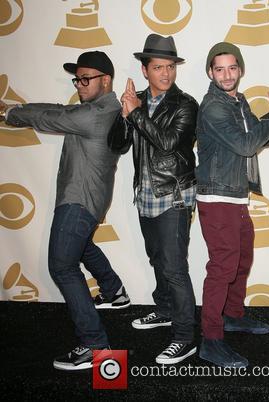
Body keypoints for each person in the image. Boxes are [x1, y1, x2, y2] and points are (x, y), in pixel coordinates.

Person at [0, 51, 130, 370]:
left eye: (86, 78)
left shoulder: (98, 112)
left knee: (61, 266)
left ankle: (94, 345)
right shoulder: (101, 108)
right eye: (77, 78)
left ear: (106, 81)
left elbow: (54, 115)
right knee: (81, 246)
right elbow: (59, 111)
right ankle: (115, 292)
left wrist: (10, 113)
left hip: (79, 199)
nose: (80, 84)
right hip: (88, 198)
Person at [195, 42, 269, 368]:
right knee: (223, 267)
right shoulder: (213, 106)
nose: (226, 74)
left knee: (241, 260)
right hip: (217, 196)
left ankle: (232, 316)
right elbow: (246, 144)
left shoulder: (238, 102)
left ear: (240, 70)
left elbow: (260, 134)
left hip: (236, 195)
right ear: (211, 72)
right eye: (219, 68)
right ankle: (211, 340)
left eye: (232, 67)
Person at [108, 34, 198, 365]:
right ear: (145, 70)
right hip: (146, 194)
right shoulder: (137, 101)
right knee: (157, 260)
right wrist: (123, 113)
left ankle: (185, 337)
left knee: (174, 268)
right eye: (158, 67)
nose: (166, 73)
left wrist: (135, 114)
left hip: (174, 195)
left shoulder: (186, 104)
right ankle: (164, 310)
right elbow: (118, 145)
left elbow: (169, 143)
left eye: (170, 67)